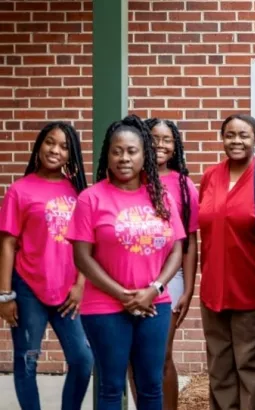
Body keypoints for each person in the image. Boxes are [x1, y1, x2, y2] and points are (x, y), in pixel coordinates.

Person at [67, 114, 185, 410]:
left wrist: (154, 289)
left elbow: (176, 249)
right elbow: (82, 256)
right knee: (111, 387)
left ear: (144, 155)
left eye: (132, 151)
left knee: (151, 386)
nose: (124, 158)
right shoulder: (90, 199)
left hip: (154, 304)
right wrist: (122, 294)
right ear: (107, 154)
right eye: (116, 151)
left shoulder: (162, 198)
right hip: (105, 307)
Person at [0, 122, 93, 410]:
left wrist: (80, 285)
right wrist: (5, 295)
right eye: (50, 143)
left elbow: (86, 243)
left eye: (64, 146)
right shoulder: (20, 190)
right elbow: (7, 244)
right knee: (27, 360)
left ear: (72, 154)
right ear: (39, 145)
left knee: (82, 359)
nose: (55, 150)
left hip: (68, 291)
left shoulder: (79, 191)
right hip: (27, 288)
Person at [199, 114, 255, 410]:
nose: (236, 141)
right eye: (230, 135)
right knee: (219, 369)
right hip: (213, 289)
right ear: (222, 138)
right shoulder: (210, 176)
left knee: (252, 370)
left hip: (251, 289)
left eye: (244, 135)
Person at [144, 117, 199, 410]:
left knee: (160, 354)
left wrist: (189, 288)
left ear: (175, 147)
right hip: (133, 276)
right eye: (154, 138)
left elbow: (190, 241)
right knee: (135, 357)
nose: (160, 145)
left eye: (167, 140)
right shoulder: (133, 178)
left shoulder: (182, 184)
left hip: (171, 276)